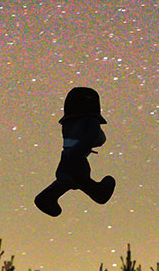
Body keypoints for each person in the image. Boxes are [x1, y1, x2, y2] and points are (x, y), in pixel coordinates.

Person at [34, 85, 116, 216]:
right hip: (76, 159)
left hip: (66, 158)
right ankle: (99, 192)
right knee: (81, 180)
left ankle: (46, 197)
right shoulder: (90, 121)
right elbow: (95, 138)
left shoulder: (68, 124)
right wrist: (79, 151)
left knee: (65, 180)